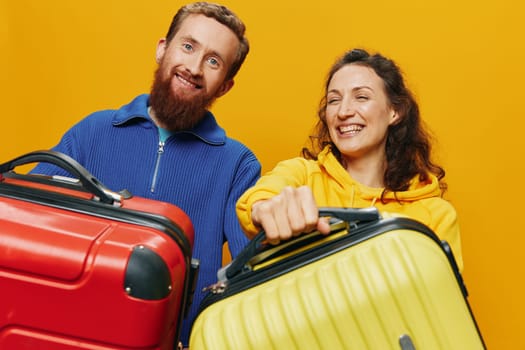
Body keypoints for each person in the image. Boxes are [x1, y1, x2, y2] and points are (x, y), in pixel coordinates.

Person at [30, 2, 261, 346]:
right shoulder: (92, 132)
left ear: (225, 85)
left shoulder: (238, 165)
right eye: (188, 46)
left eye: (213, 61)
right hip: (76, 337)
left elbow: (252, 276)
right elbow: (26, 219)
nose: (195, 67)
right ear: (162, 49)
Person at [236, 48, 463, 272]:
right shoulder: (302, 176)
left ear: (395, 111)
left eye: (361, 97)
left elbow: (438, 298)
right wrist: (265, 210)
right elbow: (258, 200)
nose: (343, 111)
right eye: (334, 100)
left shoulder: (435, 214)